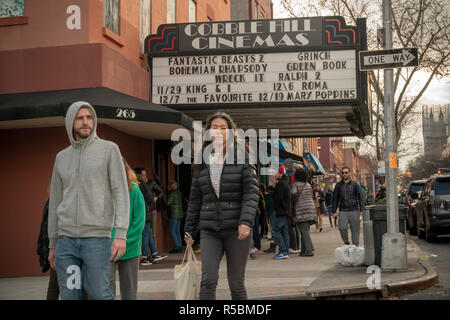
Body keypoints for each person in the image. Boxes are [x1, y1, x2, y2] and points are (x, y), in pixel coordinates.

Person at [48, 101, 129, 300]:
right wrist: (53, 243)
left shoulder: (109, 149)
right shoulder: (61, 157)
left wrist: (120, 233)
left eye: (89, 117)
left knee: (100, 294)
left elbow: (121, 192)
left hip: (96, 240)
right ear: (70, 122)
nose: (86, 122)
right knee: (69, 296)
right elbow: (55, 201)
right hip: (65, 243)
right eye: (80, 118)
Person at [184, 112, 259, 300]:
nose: (218, 131)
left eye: (223, 128)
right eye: (214, 127)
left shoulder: (243, 157)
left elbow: (251, 192)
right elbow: (195, 199)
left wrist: (246, 222)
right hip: (210, 230)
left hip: (237, 230)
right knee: (208, 280)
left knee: (236, 283)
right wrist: (189, 230)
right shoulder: (201, 160)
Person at [109, 158, 146, 300]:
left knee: (129, 292)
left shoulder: (134, 190)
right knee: (106, 290)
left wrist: (123, 239)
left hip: (130, 248)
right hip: (107, 247)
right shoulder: (103, 191)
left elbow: (139, 223)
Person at [134, 168, 167, 264]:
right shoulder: (142, 185)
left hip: (140, 212)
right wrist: (152, 204)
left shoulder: (133, 185)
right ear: (139, 175)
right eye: (143, 175)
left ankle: (154, 254)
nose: (145, 176)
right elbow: (150, 198)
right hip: (146, 212)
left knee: (149, 234)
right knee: (146, 235)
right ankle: (144, 257)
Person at [332, 167, 365, 246]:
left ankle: (355, 247)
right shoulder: (338, 185)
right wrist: (333, 211)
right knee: (342, 228)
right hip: (343, 211)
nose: (344, 174)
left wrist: (361, 209)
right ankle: (346, 242)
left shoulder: (355, 184)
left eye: (346, 172)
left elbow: (361, 196)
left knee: (355, 231)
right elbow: (335, 198)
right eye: (343, 173)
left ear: (349, 173)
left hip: (354, 210)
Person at [291, 168, 317, 257]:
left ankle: (309, 250)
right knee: (304, 231)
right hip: (311, 209)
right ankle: (303, 250)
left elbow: (293, 194)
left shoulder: (295, 185)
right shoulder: (308, 185)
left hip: (301, 210)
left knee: (304, 232)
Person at [272, 166, 291, 260]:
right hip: (285, 211)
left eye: (277, 173)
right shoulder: (286, 183)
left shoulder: (281, 184)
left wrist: (275, 209)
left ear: (281, 174)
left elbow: (277, 198)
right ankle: (285, 251)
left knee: (276, 230)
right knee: (284, 231)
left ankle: (283, 251)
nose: (275, 175)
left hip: (280, 211)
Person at [164, 180, 184, 253]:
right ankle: (179, 245)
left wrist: (164, 197)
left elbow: (168, 203)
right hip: (180, 214)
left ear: (171, 186)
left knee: (173, 231)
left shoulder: (172, 194)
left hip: (174, 214)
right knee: (177, 231)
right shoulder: (179, 193)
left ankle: (177, 247)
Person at [263, 185, 277, 253]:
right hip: (277, 212)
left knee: (273, 228)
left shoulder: (269, 195)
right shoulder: (276, 194)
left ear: (269, 190)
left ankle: (274, 244)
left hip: (271, 212)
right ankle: (275, 244)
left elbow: (267, 204)